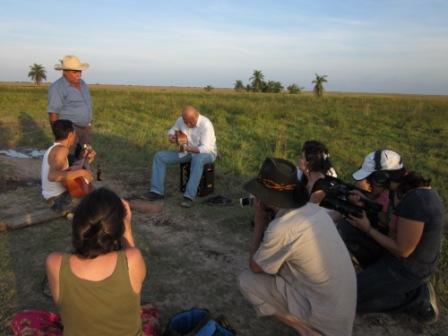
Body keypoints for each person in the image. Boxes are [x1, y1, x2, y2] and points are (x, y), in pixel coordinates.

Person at [239, 157, 356, 336]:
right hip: (342, 309)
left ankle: (307, 331)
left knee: (247, 280)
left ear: (267, 198)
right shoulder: (314, 209)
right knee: (281, 265)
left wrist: (259, 222)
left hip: (327, 319)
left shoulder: (282, 228)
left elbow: (255, 267)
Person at [346, 170, 444, 323]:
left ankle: (416, 298)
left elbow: (403, 250)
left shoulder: (416, 201)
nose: (369, 186)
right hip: (394, 257)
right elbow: (389, 222)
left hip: (408, 268)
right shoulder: (402, 191)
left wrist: (368, 229)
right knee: (350, 230)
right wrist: (365, 202)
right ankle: (378, 280)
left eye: (372, 181)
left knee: (349, 299)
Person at [46, 188, 147, 335]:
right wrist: (127, 228)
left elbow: (64, 306)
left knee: (25, 317)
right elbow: (137, 281)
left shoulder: (54, 263)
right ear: (117, 229)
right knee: (148, 311)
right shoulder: (132, 260)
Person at [144, 105, 217, 208]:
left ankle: (189, 197)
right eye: (185, 121)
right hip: (186, 152)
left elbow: (205, 148)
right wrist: (172, 137)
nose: (186, 124)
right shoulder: (181, 120)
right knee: (159, 156)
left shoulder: (206, 124)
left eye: (189, 122)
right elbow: (172, 130)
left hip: (207, 154)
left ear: (195, 117)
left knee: (197, 158)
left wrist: (186, 148)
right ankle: (156, 192)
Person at [41, 119, 94, 214]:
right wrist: (82, 172)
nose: (75, 136)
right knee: (98, 198)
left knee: (95, 194)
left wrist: (86, 159)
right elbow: (52, 176)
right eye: (74, 133)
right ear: (70, 135)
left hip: (59, 196)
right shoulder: (61, 151)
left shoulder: (56, 148)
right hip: (58, 200)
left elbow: (71, 170)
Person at [48, 55, 93, 160]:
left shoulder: (83, 84)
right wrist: (60, 136)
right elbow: (53, 113)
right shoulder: (57, 87)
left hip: (85, 129)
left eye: (80, 71)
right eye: (75, 72)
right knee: (68, 158)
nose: (78, 74)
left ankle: (82, 175)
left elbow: (87, 105)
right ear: (65, 72)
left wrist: (88, 123)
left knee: (85, 156)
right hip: (69, 130)